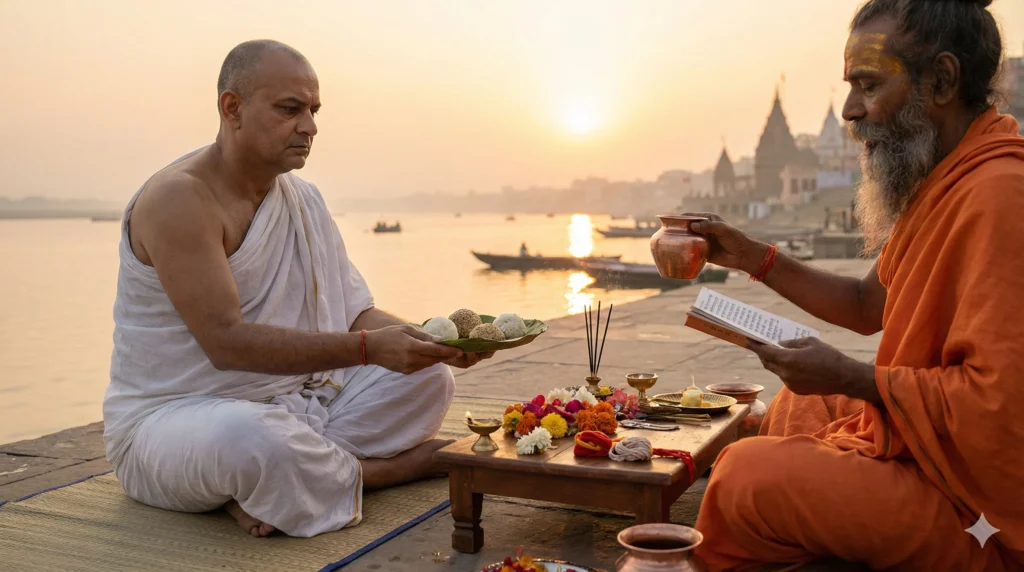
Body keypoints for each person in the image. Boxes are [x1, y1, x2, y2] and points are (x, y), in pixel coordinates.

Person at [102, 40, 493, 539]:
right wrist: (371, 350)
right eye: (290, 109)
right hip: (176, 422)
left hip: (294, 401)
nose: (309, 126)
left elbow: (354, 314)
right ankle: (392, 470)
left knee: (430, 380)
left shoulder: (302, 199)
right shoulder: (180, 200)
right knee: (249, 439)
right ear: (232, 108)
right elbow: (226, 343)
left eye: (313, 110)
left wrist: (436, 342)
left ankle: (267, 486)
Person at [683, 1, 1024, 569]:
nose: (850, 109)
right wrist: (749, 256)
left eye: (868, 85)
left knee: (745, 476)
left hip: (985, 508)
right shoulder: (950, 177)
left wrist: (854, 378)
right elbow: (869, 305)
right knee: (794, 407)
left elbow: (1001, 411)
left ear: (941, 80)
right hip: (938, 447)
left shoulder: (1000, 196)